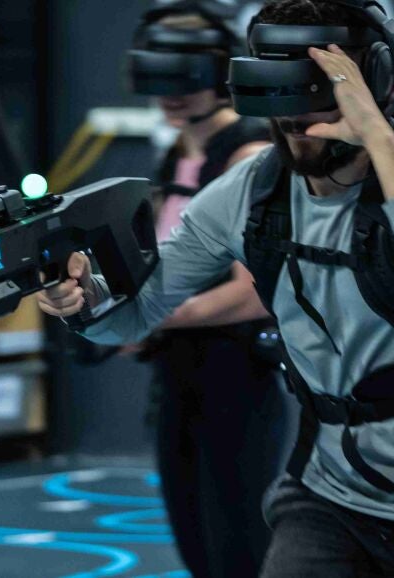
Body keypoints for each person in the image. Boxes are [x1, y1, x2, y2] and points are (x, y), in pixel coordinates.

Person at [39, 1, 394, 576]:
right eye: (278, 97)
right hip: (329, 495)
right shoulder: (252, 190)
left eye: (315, 95)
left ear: (374, 86)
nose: (295, 122)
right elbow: (137, 311)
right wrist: (86, 301)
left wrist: (377, 135)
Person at [123, 3, 292, 576]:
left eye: (185, 77)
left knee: (238, 546)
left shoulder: (248, 152)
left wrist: (150, 316)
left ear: (220, 72)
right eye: (158, 76)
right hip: (175, 372)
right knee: (195, 543)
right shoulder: (175, 154)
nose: (171, 95)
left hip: (236, 373)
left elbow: (256, 292)